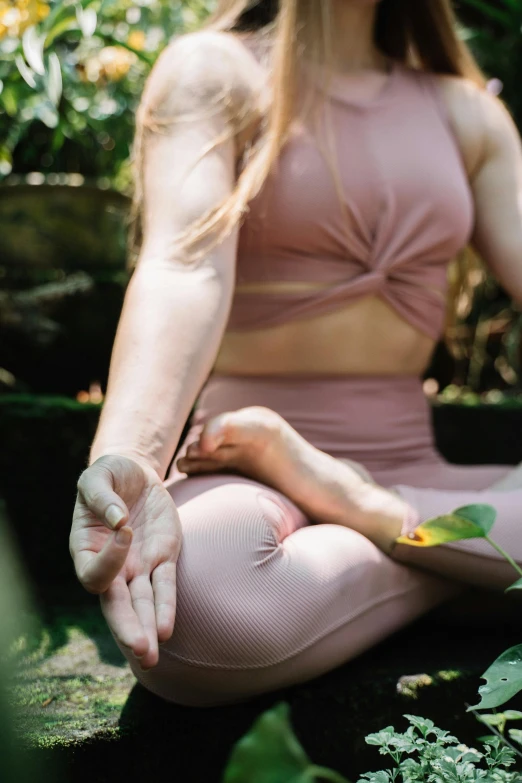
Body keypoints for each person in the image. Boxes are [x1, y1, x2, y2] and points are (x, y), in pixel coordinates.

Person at [70, 0, 522, 707]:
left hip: (407, 468)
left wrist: (361, 505)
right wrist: (129, 453)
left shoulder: (468, 113)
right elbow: (184, 268)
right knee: (192, 613)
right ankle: (473, 567)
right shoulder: (215, 71)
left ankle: (374, 516)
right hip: (245, 465)